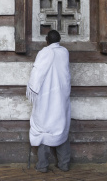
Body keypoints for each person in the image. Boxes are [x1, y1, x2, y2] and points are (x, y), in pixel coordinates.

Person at [26, 30, 71, 172]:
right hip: (61, 97)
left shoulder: (45, 52)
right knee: (60, 128)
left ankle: (43, 165)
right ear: (59, 39)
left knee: (43, 128)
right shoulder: (64, 52)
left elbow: (37, 72)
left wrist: (32, 88)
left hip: (46, 97)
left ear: (46, 39)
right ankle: (64, 164)